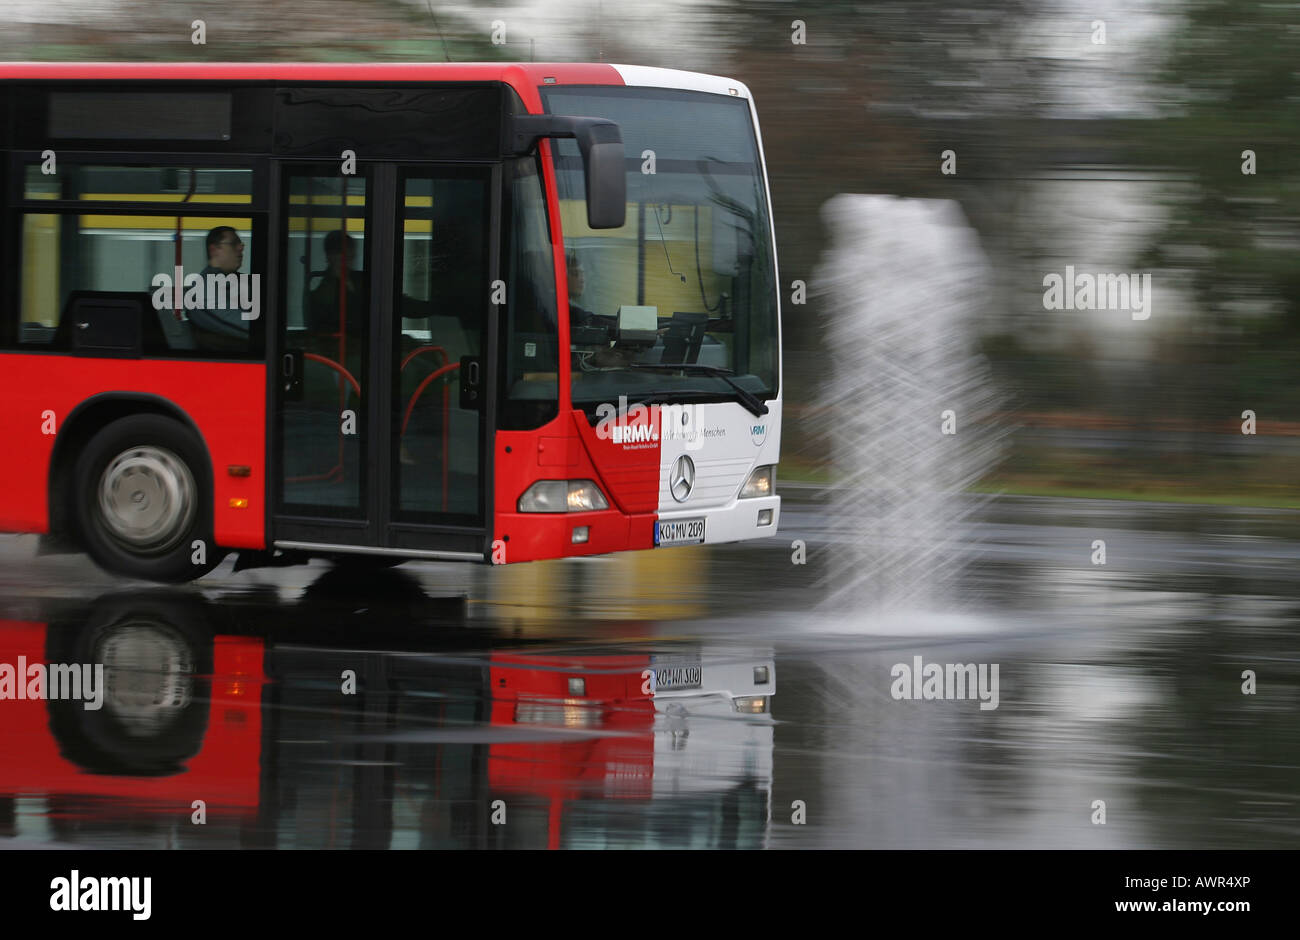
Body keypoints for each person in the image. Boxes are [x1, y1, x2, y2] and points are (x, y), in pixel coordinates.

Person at [188, 225, 250, 352]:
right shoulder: (204, 290)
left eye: (240, 243)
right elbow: (246, 327)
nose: (241, 247)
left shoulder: (240, 281)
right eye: (233, 244)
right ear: (214, 250)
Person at [308, 230, 368, 342]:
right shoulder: (324, 291)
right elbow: (324, 329)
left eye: (351, 252)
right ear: (330, 256)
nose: (350, 257)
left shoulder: (361, 279)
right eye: (342, 253)